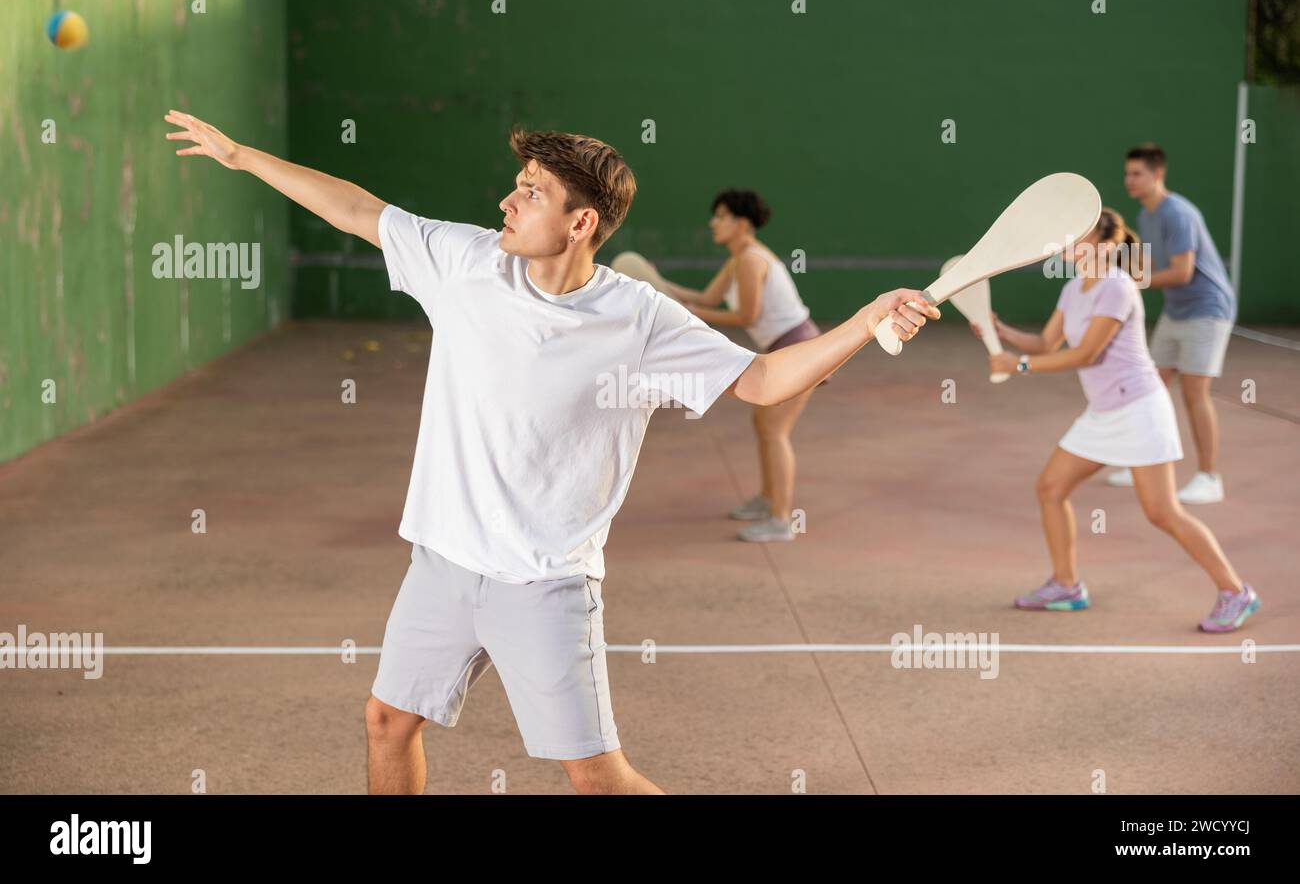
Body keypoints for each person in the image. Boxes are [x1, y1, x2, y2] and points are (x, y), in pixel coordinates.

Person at [163, 110, 940, 793]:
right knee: (386, 721)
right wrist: (243, 157)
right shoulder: (465, 261)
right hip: (443, 561)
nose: (507, 198)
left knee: (596, 778)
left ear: (580, 223)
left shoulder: (638, 320)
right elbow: (360, 211)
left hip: (545, 580)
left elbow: (765, 378)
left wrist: (867, 319)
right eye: (517, 181)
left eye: (531, 191)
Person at [976, 207, 1261, 633]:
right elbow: (1045, 342)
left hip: (1140, 410)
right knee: (1051, 488)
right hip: (1103, 412)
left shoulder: (1117, 287)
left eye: (1080, 239)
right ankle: (1067, 586)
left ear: (1107, 245)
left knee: (1162, 512)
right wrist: (997, 330)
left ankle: (1235, 591)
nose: (1070, 246)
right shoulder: (1074, 288)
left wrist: (1016, 366)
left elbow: (1085, 354)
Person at [652, 189, 821, 542]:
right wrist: (655, 284)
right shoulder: (737, 257)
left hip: (799, 346)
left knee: (775, 430)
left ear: (741, 224)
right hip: (783, 346)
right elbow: (708, 298)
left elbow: (747, 315)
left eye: (722, 216)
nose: (714, 222)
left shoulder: (750, 260)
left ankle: (780, 520)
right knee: (764, 424)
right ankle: (767, 499)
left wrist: (690, 315)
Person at [1105, 144, 1237, 504]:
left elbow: (1182, 272)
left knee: (1195, 394)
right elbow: (1147, 271)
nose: (1129, 180)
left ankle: (1209, 477)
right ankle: (1144, 465)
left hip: (1208, 311)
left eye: (1137, 174)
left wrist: (1132, 282)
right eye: (1127, 173)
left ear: (1158, 174)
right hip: (1176, 311)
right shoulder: (1146, 216)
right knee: (1150, 387)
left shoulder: (1177, 213)